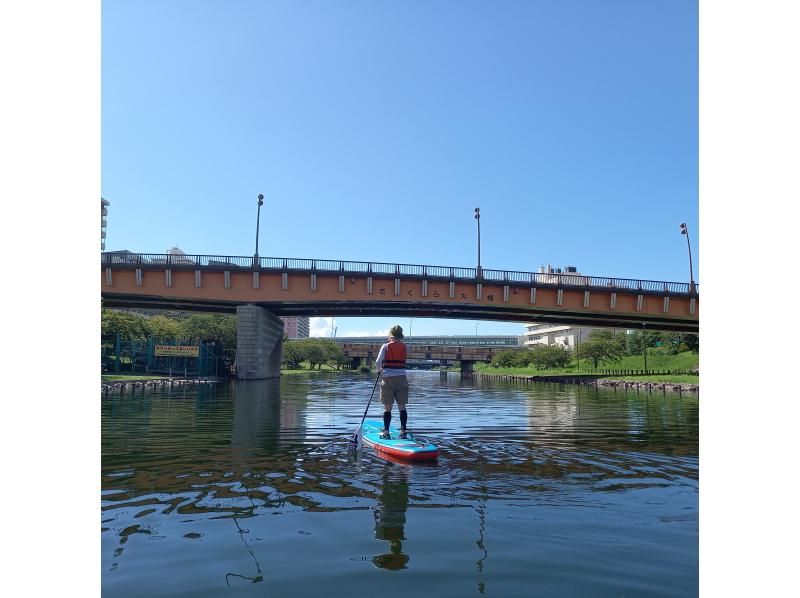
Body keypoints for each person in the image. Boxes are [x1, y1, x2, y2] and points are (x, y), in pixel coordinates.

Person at [375, 325, 410, 439]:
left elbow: (378, 361)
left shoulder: (385, 346)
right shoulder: (406, 347)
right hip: (402, 378)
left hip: (388, 379)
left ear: (390, 335)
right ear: (401, 336)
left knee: (387, 408)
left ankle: (386, 432)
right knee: (402, 407)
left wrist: (379, 370)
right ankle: (404, 430)